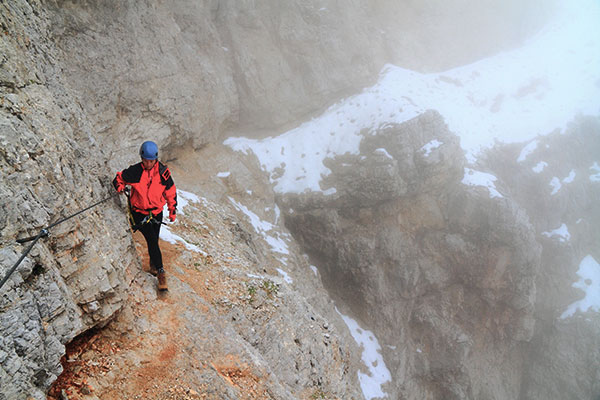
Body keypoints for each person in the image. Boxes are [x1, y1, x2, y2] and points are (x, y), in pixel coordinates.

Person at [113, 141, 177, 291]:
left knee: (153, 239)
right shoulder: (135, 171)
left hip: (156, 212)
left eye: (151, 160)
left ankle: (153, 266)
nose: (148, 163)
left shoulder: (162, 172)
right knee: (152, 240)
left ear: (155, 159)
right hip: (139, 213)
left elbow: (170, 191)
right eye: (146, 160)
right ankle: (161, 273)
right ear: (142, 158)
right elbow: (118, 179)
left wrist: (172, 209)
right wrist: (120, 188)